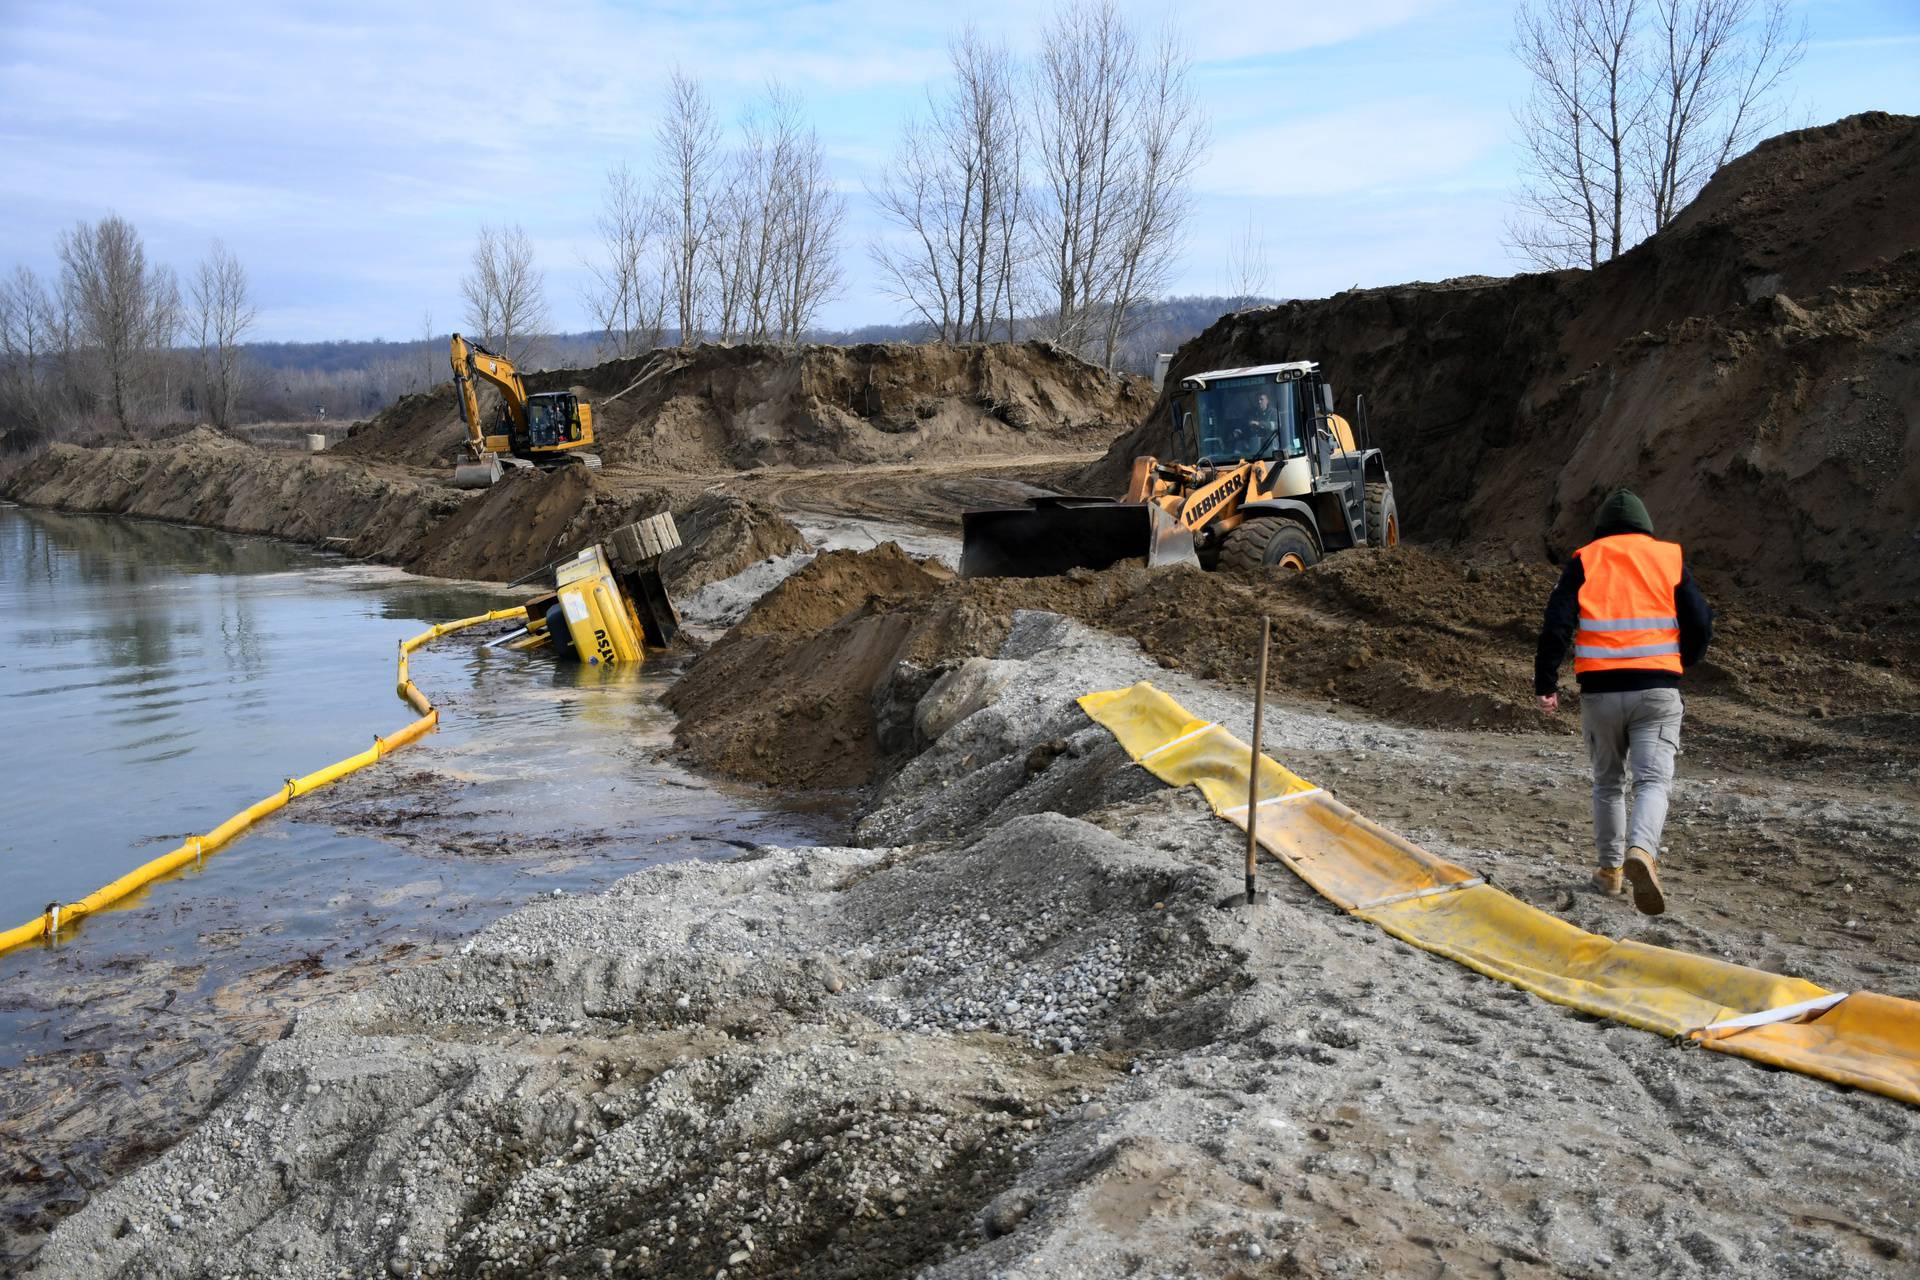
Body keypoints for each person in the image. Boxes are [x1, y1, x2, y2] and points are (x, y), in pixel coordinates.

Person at [1535, 490, 1713, 914]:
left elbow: (1556, 622)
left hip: (1600, 693)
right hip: (1657, 690)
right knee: (1652, 782)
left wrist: (1546, 681)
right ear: (1645, 524)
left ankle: (1611, 872)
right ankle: (1642, 851)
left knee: (1608, 782)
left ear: (1602, 527)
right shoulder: (1668, 558)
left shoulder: (1586, 559)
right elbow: (1701, 621)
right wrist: (1679, 662)